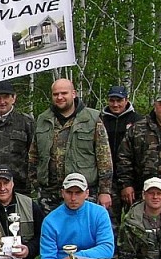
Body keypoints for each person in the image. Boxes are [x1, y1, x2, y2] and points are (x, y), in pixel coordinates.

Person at [28, 79, 113, 212]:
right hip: (49, 194)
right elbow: (34, 155)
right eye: (56, 94)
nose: (60, 97)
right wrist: (36, 184)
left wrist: (105, 191)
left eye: (64, 93)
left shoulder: (92, 119)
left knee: (81, 231)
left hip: (81, 193)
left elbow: (104, 158)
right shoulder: (43, 119)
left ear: (73, 94)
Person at [117, 89, 161, 208]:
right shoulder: (138, 129)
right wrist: (126, 185)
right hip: (143, 193)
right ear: (155, 106)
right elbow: (124, 158)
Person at [102, 85, 142, 226]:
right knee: (110, 221)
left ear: (126, 100)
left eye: (119, 100)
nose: (115, 104)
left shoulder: (138, 121)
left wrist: (128, 182)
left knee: (136, 220)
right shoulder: (101, 120)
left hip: (133, 180)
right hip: (109, 181)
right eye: (112, 100)